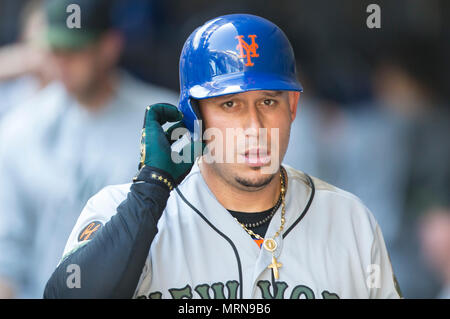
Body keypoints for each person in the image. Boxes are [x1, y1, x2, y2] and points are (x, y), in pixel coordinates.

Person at [44, 14, 401, 299]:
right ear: (194, 116)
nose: (254, 126)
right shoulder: (123, 211)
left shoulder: (351, 220)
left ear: (293, 106)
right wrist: (151, 189)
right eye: (229, 105)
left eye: (268, 102)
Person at [0, 0, 178, 298]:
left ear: (109, 46)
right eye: (55, 49)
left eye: (75, 49)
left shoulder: (163, 120)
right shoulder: (21, 128)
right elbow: (7, 257)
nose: (62, 61)